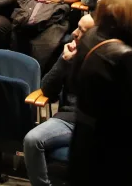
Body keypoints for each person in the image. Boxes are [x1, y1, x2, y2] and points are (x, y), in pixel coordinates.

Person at [67, 0, 132, 186]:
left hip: (83, 147)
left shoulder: (88, 38)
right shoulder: (126, 57)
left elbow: (73, 82)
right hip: (115, 158)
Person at [23, 13, 95, 186]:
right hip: (67, 120)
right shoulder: (69, 53)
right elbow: (47, 88)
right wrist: (64, 62)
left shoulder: (103, 61)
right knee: (32, 140)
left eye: (82, 31)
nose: (75, 33)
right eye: (77, 27)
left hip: (93, 125)